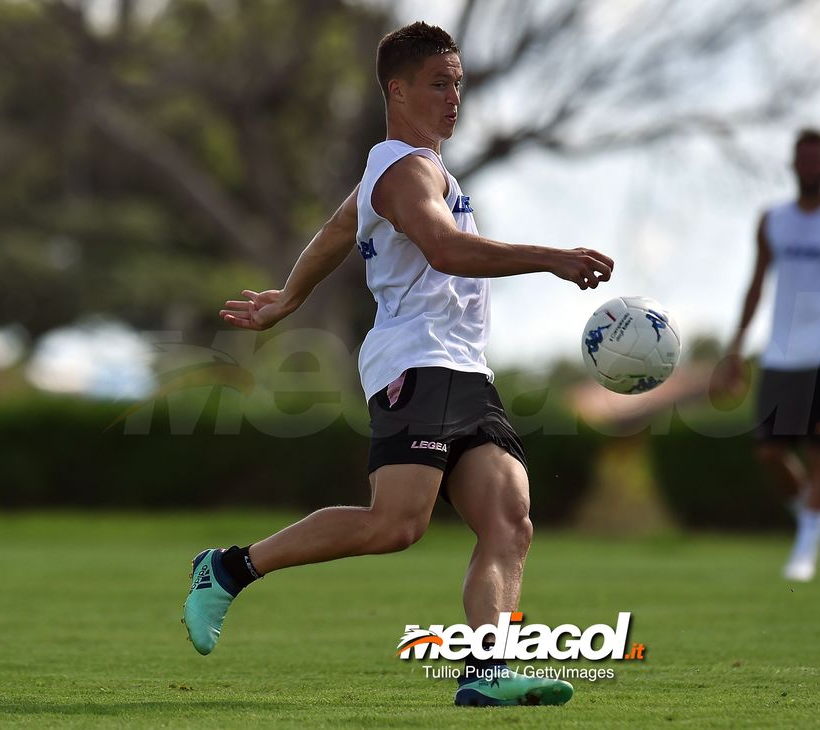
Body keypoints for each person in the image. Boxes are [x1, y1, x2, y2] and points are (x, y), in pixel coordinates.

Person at [181, 21, 614, 707]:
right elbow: (444, 250)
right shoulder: (407, 169)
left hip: (465, 370)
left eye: (459, 84)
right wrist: (552, 258)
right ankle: (228, 570)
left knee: (509, 521)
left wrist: (290, 296)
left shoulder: (410, 170)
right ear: (397, 88)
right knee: (396, 525)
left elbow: (333, 232)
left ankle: (486, 673)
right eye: (439, 84)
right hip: (419, 359)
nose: (454, 98)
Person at [724, 128, 820, 583]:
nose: (810, 167)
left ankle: (804, 550)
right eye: (803, 159)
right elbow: (756, 282)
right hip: (781, 355)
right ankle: (812, 513)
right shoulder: (773, 220)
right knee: (769, 452)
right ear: (794, 164)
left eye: (818, 160)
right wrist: (735, 348)